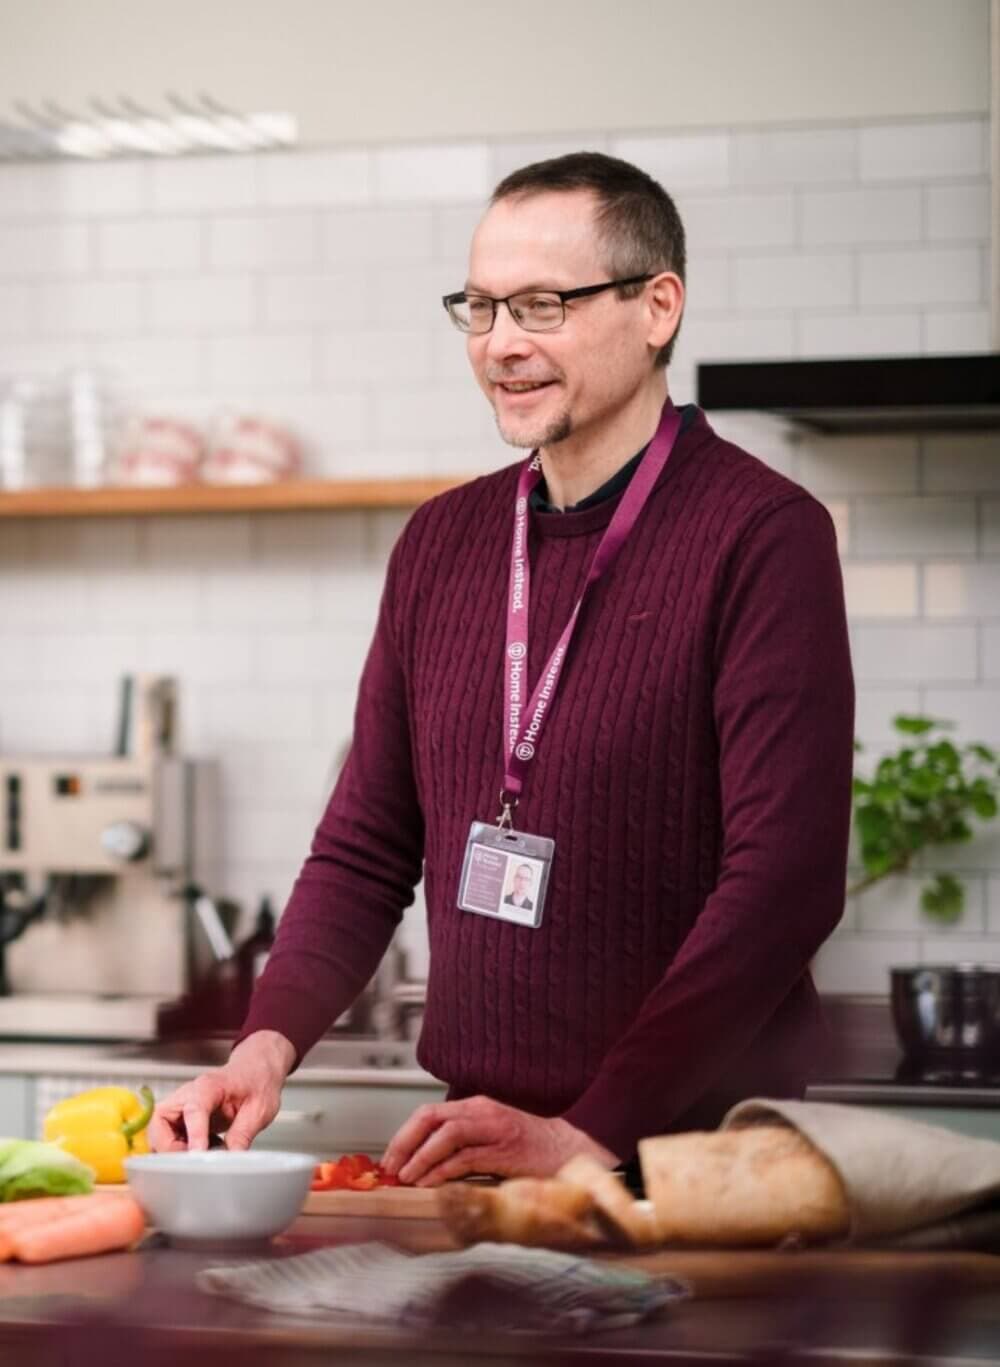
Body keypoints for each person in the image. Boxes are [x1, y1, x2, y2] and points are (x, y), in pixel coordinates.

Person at [149, 152, 854, 1187]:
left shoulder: (762, 536)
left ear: (657, 306)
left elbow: (783, 886)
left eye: (540, 305)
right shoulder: (440, 542)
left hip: (698, 1169)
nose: (500, 346)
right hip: (480, 1159)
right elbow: (364, 845)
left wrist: (591, 1131)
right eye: (478, 308)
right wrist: (265, 1042)